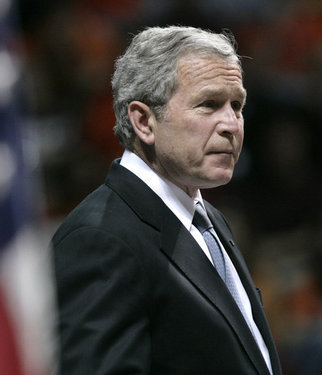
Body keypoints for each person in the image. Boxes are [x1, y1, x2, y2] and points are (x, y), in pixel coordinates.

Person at [50, 26, 282, 374]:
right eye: (209, 104)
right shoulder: (99, 238)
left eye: (237, 105)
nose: (232, 125)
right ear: (143, 121)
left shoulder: (208, 219)